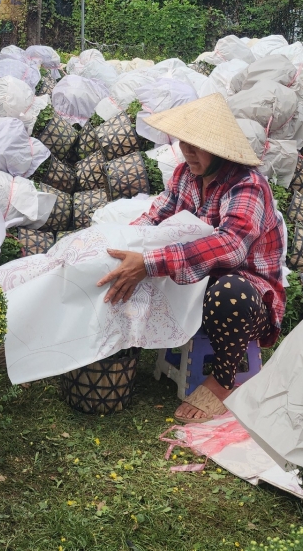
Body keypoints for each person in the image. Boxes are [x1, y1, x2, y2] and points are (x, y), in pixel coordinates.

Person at [95, 92, 285, 423]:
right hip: (197, 283)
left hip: (245, 296)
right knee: (131, 262)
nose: (187, 151)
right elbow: (154, 219)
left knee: (229, 292)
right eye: (184, 142)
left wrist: (151, 262)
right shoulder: (185, 175)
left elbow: (231, 246)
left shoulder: (247, 185)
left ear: (221, 150)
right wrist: (115, 244)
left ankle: (223, 378)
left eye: (197, 145)